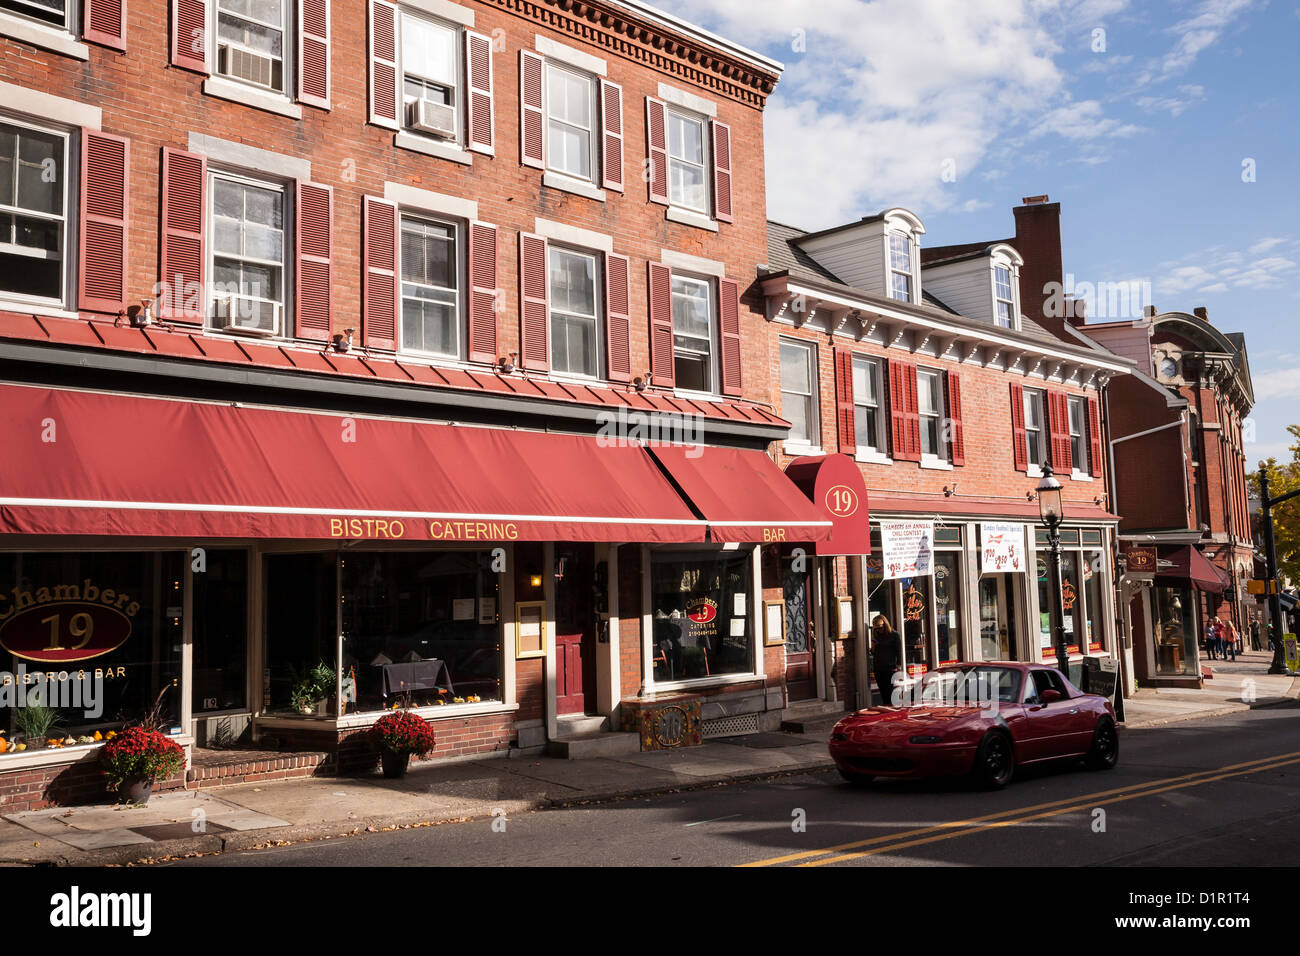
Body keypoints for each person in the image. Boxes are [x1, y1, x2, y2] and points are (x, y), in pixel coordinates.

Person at [870, 614, 902, 707]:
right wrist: (873, 647)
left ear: (885, 625)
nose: (878, 630)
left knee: (889, 692)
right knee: (883, 693)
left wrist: (899, 665)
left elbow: (898, 651)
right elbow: (873, 652)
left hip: (890, 668)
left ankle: (890, 712)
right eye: (876, 629)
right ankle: (886, 711)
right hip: (878, 668)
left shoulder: (894, 635)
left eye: (880, 628)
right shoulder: (876, 636)